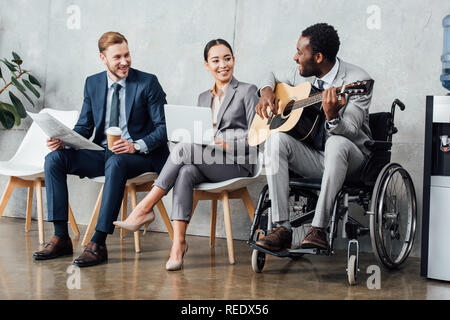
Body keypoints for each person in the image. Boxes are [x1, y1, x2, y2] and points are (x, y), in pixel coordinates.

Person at [114, 39, 259, 271]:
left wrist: (225, 143)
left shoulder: (248, 91)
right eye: (216, 60)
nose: (223, 65)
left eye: (227, 58)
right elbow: (200, 135)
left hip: (239, 162)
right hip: (207, 160)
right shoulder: (203, 97)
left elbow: (257, 137)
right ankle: (178, 244)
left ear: (234, 60)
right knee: (185, 170)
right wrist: (190, 135)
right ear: (206, 65)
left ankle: (144, 208)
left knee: (184, 150)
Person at [33, 31, 170, 267]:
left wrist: (135, 145)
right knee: (54, 158)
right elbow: (85, 126)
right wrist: (63, 140)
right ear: (102, 58)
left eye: (127, 55)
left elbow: (165, 127)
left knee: (115, 162)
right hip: (103, 151)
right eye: (117, 57)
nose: (125, 61)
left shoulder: (148, 82)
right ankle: (60, 237)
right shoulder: (93, 83)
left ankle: (98, 243)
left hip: (140, 156)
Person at [255, 23, 373, 251]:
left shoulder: (357, 80)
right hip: (316, 158)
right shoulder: (302, 75)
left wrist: (333, 118)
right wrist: (267, 91)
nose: (295, 57)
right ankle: (282, 228)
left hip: (352, 161)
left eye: (300, 53)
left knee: (337, 143)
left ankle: (318, 228)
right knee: (275, 139)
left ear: (318, 57)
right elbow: (269, 74)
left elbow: (352, 128)